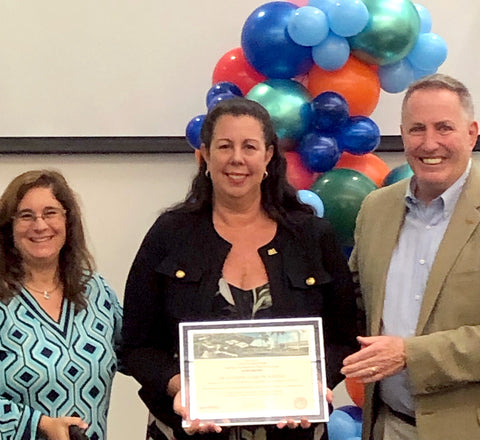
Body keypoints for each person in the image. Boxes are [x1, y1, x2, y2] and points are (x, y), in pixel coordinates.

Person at [122, 97, 358, 440]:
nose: (237, 158)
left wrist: (315, 381)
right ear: (203, 156)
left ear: (268, 157)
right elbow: (136, 346)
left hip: (292, 431)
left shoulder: (311, 236)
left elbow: (343, 338)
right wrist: (178, 388)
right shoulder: (170, 234)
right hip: (188, 432)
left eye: (249, 146)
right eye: (224, 146)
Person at [341, 74, 480, 439]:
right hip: (389, 425)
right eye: (417, 129)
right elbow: (352, 305)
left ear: (472, 133)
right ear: (402, 134)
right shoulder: (376, 208)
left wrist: (410, 355)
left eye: (444, 127)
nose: (429, 143)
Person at [0, 170, 123, 440]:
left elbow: (139, 352)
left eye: (50, 213)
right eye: (26, 216)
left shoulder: (96, 291)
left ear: (68, 220)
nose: (40, 225)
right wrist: (39, 424)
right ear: (8, 227)